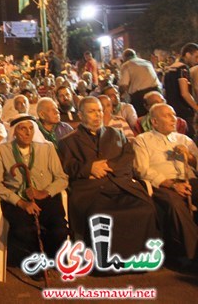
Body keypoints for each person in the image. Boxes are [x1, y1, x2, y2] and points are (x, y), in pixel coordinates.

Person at [58, 97, 158, 260]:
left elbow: (128, 157)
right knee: (100, 215)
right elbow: (67, 166)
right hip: (91, 191)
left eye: (99, 111)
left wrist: (108, 166)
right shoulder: (67, 142)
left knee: (145, 208)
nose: (97, 115)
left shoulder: (117, 134)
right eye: (91, 112)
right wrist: (89, 168)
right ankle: (105, 262)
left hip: (120, 186)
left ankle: (139, 258)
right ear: (81, 115)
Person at [0, 116, 68, 265]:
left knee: (60, 231)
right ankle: (36, 260)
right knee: (24, 231)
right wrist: (19, 202)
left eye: (31, 128)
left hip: (46, 198)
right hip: (17, 200)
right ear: (14, 132)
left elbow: (62, 178)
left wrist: (44, 193)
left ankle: (49, 257)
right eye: (22, 128)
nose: (28, 132)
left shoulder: (47, 148)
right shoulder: (2, 150)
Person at [133, 103, 198, 262]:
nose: (173, 119)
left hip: (190, 180)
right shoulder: (143, 140)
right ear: (154, 122)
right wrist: (172, 184)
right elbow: (141, 170)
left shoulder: (184, 139)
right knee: (175, 203)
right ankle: (194, 254)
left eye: (174, 114)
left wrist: (190, 157)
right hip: (163, 185)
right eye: (167, 115)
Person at [163, 43, 198, 137]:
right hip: (184, 111)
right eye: (196, 57)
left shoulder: (169, 69)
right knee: (190, 138)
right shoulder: (183, 69)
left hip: (173, 111)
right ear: (187, 54)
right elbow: (184, 93)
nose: (197, 60)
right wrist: (196, 108)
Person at [119, 49, 161, 116]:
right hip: (156, 91)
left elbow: (124, 85)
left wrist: (120, 94)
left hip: (141, 96)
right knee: (159, 114)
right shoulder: (146, 62)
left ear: (125, 58)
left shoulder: (126, 65)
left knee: (142, 118)